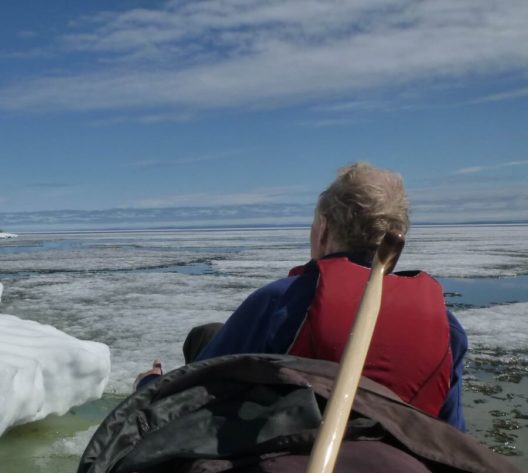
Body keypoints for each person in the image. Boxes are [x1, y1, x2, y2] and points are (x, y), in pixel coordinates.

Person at [137, 162, 468, 430]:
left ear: (323, 228)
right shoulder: (447, 328)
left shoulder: (280, 304)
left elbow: (185, 404)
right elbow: (449, 433)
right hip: (405, 471)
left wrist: (149, 385)